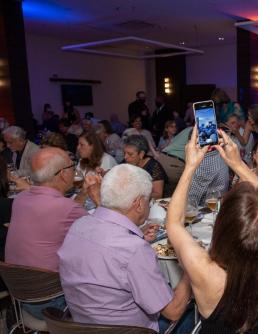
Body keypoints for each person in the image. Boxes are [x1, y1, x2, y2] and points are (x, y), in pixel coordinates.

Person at [166, 127, 258, 333]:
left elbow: (173, 222)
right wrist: (237, 164)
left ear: (221, 226)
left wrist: (190, 166)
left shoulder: (202, 269)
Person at [58, 164, 192, 333]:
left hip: (82, 326)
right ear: (139, 204)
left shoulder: (78, 226)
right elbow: (173, 311)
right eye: (149, 200)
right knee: (196, 313)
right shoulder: (133, 249)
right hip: (129, 330)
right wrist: (190, 266)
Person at [4, 148, 93, 319]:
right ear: (62, 174)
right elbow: (103, 237)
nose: (74, 170)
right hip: (53, 303)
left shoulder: (21, 199)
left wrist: (82, 194)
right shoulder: (66, 208)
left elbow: (65, 214)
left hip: (20, 296)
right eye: (71, 166)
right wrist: (95, 197)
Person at [124, 135, 168, 199]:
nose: (125, 157)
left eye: (130, 154)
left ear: (141, 154)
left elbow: (158, 194)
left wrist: (135, 196)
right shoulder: (126, 162)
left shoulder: (154, 167)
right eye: (124, 153)